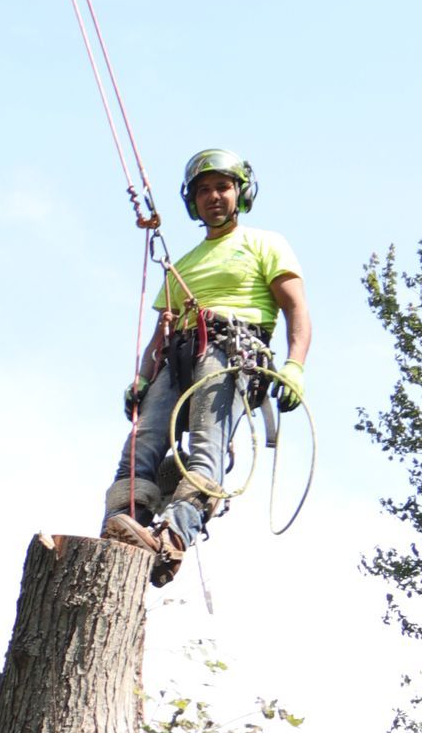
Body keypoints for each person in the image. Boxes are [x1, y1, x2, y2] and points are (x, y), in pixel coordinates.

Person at [101, 149, 310, 585]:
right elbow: (161, 333)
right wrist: (142, 377)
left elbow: (297, 311)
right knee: (144, 440)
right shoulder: (184, 265)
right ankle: (124, 525)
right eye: (203, 191)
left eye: (222, 187)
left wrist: (294, 366)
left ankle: (174, 538)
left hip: (230, 350)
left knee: (205, 449)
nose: (213, 197)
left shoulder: (266, 244)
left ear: (240, 193)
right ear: (192, 202)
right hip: (175, 355)